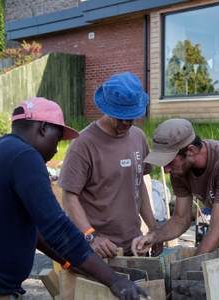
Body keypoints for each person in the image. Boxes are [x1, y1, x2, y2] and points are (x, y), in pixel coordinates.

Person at [0, 97, 151, 300]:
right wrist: (114, 280)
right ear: (44, 128)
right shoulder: (26, 157)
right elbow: (58, 228)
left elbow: (38, 231)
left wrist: (72, 261)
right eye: (57, 138)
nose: (56, 149)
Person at [131, 118, 219, 269]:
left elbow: (217, 230)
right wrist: (153, 237)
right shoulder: (179, 170)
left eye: (170, 162)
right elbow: (181, 219)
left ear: (190, 150)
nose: (166, 170)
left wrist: (186, 273)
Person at [57, 72, 163, 258]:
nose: (125, 122)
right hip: (97, 250)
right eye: (119, 115)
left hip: (134, 245)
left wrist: (154, 230)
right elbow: (69, 197)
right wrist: (91, 237)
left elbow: (140, 186)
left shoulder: (138, 137)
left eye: (131, 116)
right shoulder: (83, 144)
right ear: (106, 107)